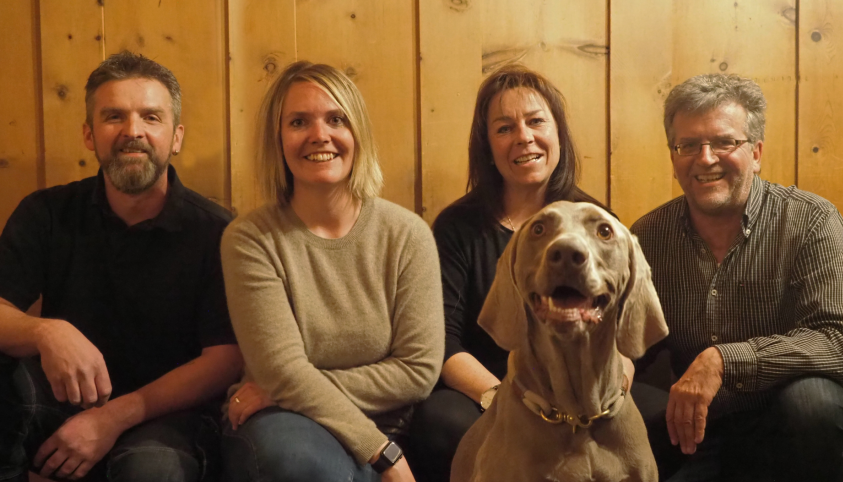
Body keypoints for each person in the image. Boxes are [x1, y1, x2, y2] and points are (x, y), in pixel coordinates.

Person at [0, 51, 242, 482]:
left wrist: (113, 418)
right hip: (63, 400)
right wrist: (47, 331)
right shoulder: (47, 213)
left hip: (170, 416)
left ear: (176, 137)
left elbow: (225, 359)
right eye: (114, 116)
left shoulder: (218, 232)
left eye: (151, 117)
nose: (133, 131)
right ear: (89, 134)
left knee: (150, 471)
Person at [406, 64, 640, 482]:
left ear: (558, 135)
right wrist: (506, 400)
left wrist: (616, 386)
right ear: (488, 147)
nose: (523, 137)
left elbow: (624, 326)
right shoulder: (458, 228)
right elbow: (443, 342)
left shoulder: (599, 222)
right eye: (504, 128)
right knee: (439, 420)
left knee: (658, 414)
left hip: (587, 390)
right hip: (488, 388)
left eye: (535, 121)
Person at [218, 60, 444, 482]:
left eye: (336, 119)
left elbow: (418, 370)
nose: (319, 135)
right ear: (277, 139)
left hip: (377, 416)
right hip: (292, 426)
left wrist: (285, 391)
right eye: (298, 122)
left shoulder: (407, 234)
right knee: (296, 461)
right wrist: (383, 454)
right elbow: (282, 371)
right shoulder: (250, 239)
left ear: (357, 133)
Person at [631, 73, 843, 481]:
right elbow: (633, 343)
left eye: (724, 142)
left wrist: (723, 360)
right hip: (696, 432)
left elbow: (842, 340)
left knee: (813, 402)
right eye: (688, 145)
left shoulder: (810, 221)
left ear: (756, 153)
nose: (705, 158)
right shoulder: (648, 236)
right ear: (673, 157)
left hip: (787, 433)